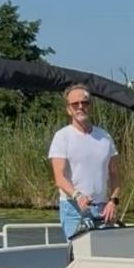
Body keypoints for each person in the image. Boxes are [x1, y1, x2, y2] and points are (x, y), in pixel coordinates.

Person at [48, 84, 121, 239]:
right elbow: (59, 178)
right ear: (68, 109)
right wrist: (77, 195)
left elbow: (115, 174)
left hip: (102, 209)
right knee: (79, 253)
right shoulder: (62, 137)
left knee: (103, 256)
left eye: (84, 103)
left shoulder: (105, 137)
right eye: (75, 104)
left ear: (90, 106)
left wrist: (113, 201)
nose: (80, 107)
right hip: (73, 208)